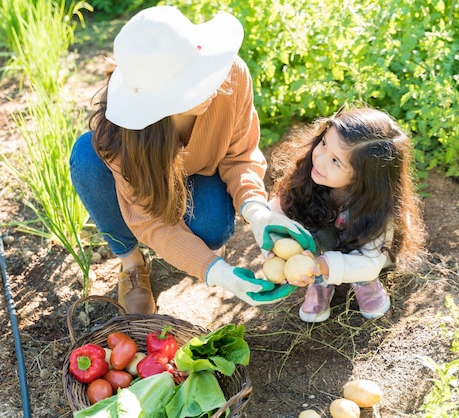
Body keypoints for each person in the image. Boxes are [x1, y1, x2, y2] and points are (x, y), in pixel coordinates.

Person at [69, 6, 315, 314]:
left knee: (211, 228)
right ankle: (132, 264)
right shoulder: (122, 136)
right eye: (193, 81)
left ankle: (192, 246)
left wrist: (256, 211)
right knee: (86, 158)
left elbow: (241, 156)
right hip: (149, 178)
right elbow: (150, 221)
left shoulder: (231, 76)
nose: (211, 81)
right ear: (161, 100)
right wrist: (217, 271)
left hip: (200, 172)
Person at [268, 106, 426, 323]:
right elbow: (277, 210)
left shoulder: (377, 210)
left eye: (335, 161)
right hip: (318, 246)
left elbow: (371, 260)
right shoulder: (308, 177)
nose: (320, 159)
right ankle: (320, 283)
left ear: (364, 178)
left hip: (359, 251)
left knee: (365, 265)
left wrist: (322, 265)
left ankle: (366, 285)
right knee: (309, 232)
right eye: (323, 143)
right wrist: (278, 242)